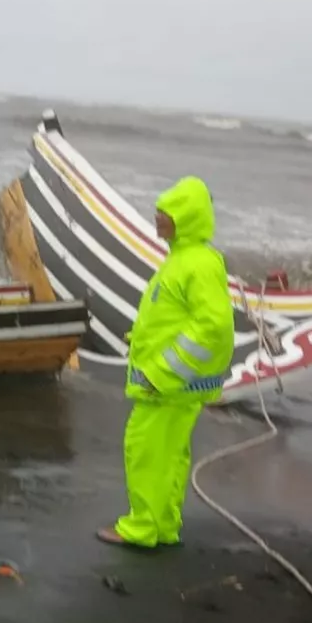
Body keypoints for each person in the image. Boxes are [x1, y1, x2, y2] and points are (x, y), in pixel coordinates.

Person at [96, 176, 234, 549]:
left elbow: (213, 327)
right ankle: (164, 526)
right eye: (157, 212)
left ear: (186, 218)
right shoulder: (185, 259)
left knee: (144, 451)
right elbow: (175, 318)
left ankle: (141, 528)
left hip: (167, 386)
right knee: (170, 456)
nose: (157, 219)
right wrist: (140, 340)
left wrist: (163, 371)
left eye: (166, 214)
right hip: (176, 386)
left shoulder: (196, 264)